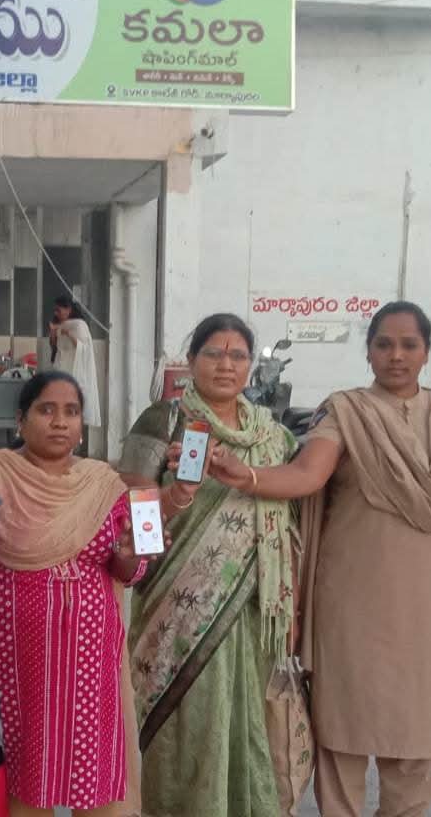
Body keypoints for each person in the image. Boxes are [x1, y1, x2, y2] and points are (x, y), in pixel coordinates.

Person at [207, 301, 431, 817]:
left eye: (409, 345)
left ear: (427, 352)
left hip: (426, 610)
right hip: (352, 607)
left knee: (418, 735)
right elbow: (308, 474)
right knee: (342, 735)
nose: (396, 355)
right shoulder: (346, 412)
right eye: (384, 344)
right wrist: (247, 476)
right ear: (368, 351)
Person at [0, 372, 154, 816]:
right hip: (15, 665)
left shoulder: (103, 485)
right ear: (20, 420)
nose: (60, 422)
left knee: (94, 781)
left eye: (71, 412)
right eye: (46, 410)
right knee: (21, 782)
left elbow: (129, 572)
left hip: (90, 667)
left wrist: (131, 553)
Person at [119, 314, 298, 817]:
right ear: (192, 359)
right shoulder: (163, 420)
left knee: (245, 720)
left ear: (250, 364)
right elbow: (132, 511)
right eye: (213, 353)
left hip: (250, 606)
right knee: (183, 725)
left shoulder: (273, 436)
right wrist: (176, 496)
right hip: (174, 603)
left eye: (238, 355)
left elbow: (289, 525)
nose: (226, 364)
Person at [48, 295, 102, 433]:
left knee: (73, 405)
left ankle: (73, 435)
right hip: (61, 368)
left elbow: (84, 348)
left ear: (68, 309)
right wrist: (53, 333)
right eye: (55, 310)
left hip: (75, 370)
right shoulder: (58, 325)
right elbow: (55, 346)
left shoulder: (79, 325)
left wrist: (69, 334)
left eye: (59, 310)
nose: (56, 313)